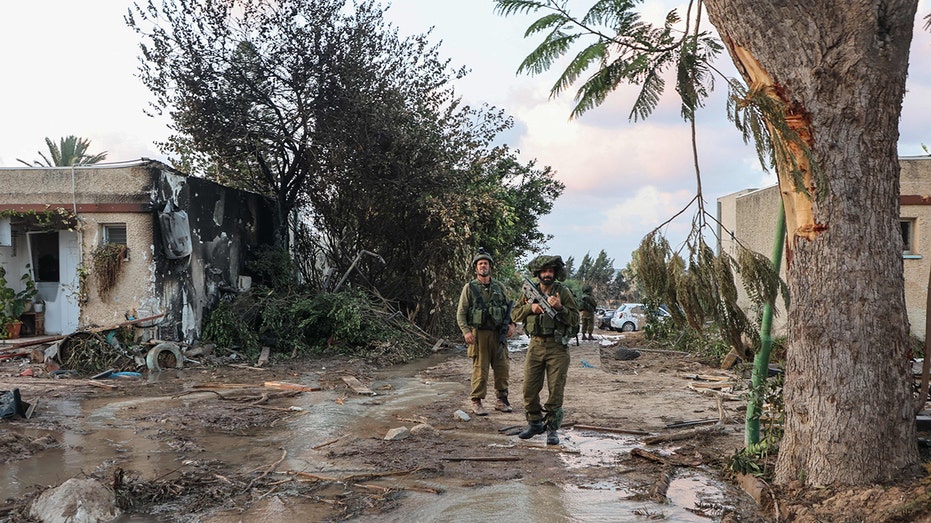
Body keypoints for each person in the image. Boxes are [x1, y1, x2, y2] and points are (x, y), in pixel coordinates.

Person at [511, 255, 579, 445]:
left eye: (550, 271)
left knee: (556, 390)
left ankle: (551, 429)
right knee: (529, 389)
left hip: (558, 347)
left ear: (555, 273)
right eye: (544, 271)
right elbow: (514, 314)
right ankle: (534, 424)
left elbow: (575, 319)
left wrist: (560, 307)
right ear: (538, 273)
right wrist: (530, 308)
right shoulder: (528, 292)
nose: (547, 274)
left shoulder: (562, 292)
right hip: (535, 345)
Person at [456, 249, 515, 416]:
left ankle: (501, 400)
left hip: (498, 334)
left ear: (490, 267)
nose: (483, 266)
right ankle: (477, 401)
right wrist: (466, 332)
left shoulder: (500, 287)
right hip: (479, 335)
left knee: (502, 368)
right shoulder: (470, 288)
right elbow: (461, 312)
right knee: (480, 370)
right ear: (476, 268)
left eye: (486, 264)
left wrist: (512, 325)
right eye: (480, 264)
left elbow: (508, 309)